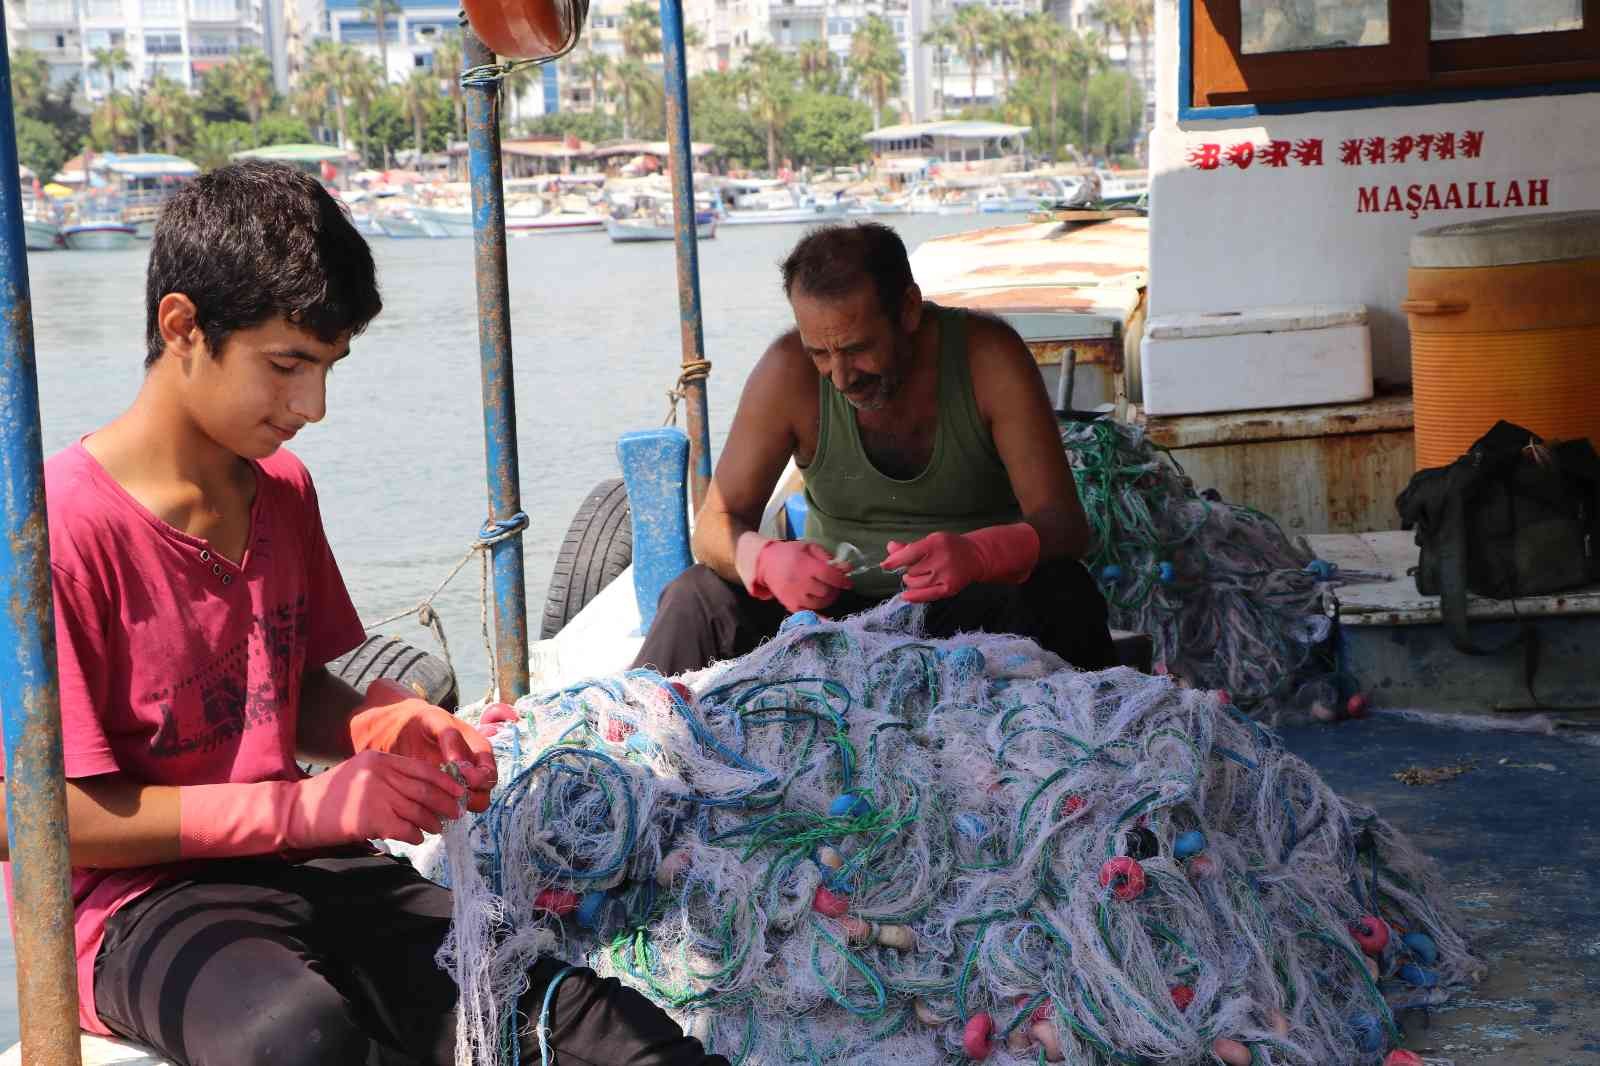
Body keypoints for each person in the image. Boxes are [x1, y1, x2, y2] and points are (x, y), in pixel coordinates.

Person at [0, 162, 726, 1066]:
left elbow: (288, 687)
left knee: (573, 1015)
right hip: (139, 905)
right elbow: (34, 815)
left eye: (329, 367)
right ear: (182, 327)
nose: (313, 407)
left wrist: (384, 725)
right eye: (287, 365)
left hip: (305, 860)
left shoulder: (281, 489)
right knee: (298, 1038)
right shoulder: (53, 528)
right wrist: (302, 810)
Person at [633, 222, 1114, 678]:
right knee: (696, 594)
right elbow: (715, 526)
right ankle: (625, 744)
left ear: (908, 309)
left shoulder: (989, 359)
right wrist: (765, 560)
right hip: (824, 611)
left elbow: (1066, 527)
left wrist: (980, 554)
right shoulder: (786, 373)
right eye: (820, 353)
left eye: (858, 348)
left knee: (1062, 590)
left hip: (967, 604)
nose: (841, 376)